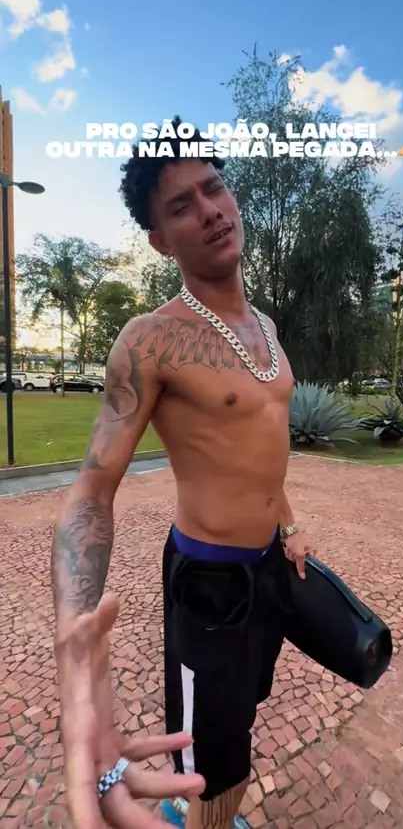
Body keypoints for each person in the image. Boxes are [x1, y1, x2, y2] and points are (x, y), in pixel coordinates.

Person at [51, 118, 314, 829]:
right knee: (215, 763)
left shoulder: (267, 328)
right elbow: (91, 492)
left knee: (240, 714)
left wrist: (289, 523)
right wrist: (76, 655)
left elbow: (262, 444)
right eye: (181, 205)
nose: (210, 210)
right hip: (210, 584)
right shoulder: (151, 340)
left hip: (268, 567)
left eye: (213, 187)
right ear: (160, 241)